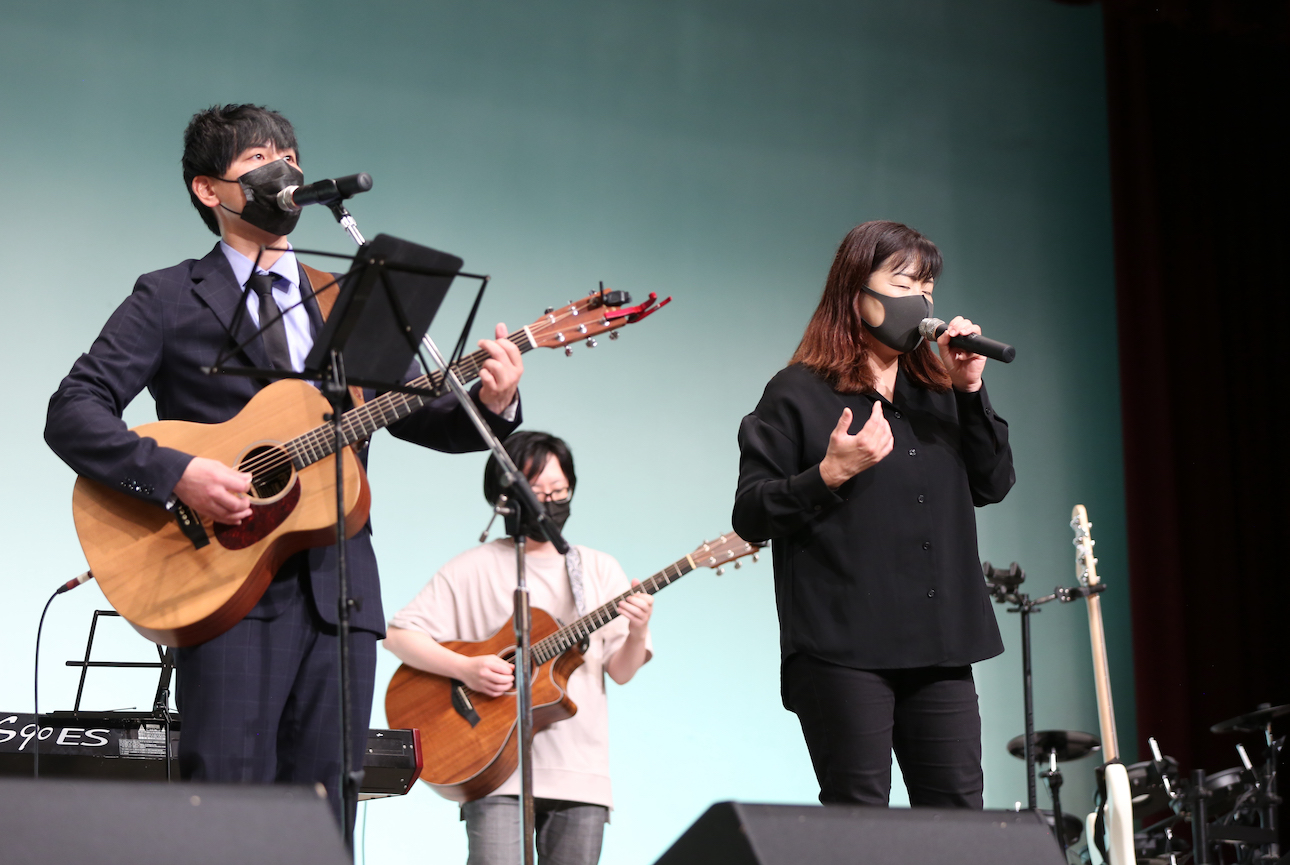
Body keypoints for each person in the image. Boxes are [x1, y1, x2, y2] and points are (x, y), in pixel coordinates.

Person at [43, 104, 524, 820]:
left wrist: (496, 401)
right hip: (225, 585)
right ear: (209, 188)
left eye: (291, 156)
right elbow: (73, 410)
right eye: (258, 159)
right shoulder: (170, 296)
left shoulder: (343, 295)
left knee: (328, 811)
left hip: (341, 592)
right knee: (228, 806)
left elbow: (416, 415)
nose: (284, 170)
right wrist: (180, 474)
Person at [732, 220, 1014, 808]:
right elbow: (751, 514)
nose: (921, 302)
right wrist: (828, 474)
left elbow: (993, 483)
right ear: (856, 290)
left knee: (960, 820)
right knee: (860, 821)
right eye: (903, 284)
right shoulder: (797, 393)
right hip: (842, 649)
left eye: (928, 289)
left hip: (939, 646)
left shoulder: (937, 392)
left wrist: (969, 389)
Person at [384, 431, 653, 865]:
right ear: (504, 496)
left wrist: (638, 630)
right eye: (538, 492)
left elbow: (621, 672)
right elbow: (399, 635)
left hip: (579, 771)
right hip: (493, 769)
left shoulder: (598, 568)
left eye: (560, 491)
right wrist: (466, 669)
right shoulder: (471, 568)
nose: (550, 502)